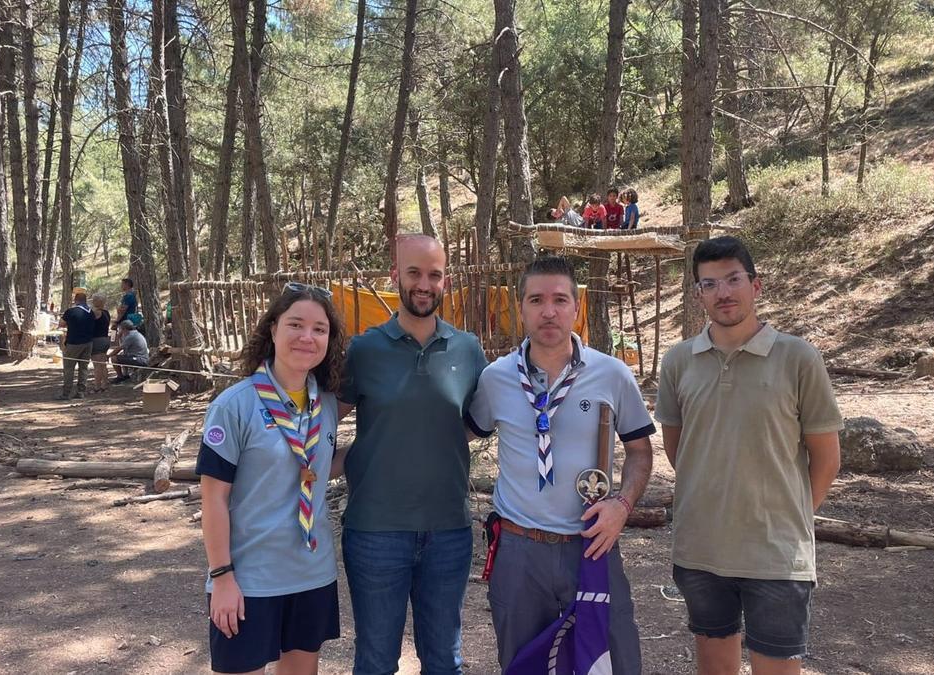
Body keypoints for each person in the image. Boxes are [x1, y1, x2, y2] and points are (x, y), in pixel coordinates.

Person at [653, 236, 843, 675]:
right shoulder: (679, 361)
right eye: (710, 284)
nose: (723, 293)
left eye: (733, 279)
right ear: (698, 294)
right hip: (701, 548)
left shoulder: (798, 358)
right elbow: (679, 447)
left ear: (755, 286)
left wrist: (789, 517)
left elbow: (827, 458)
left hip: (776, 554)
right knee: (714, 666)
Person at [465, 255, 655, 673]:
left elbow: (641, 451)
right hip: (518, 551)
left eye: (559, 299)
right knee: (521, 662)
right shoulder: (495, 378)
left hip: (591, 544)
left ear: (576, 306)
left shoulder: (612, 374)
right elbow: (462, 435)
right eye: (536, 300)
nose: (548, 311)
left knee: (611, 661)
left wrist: (621, 506)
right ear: (521, 308)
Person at [331, 234, 487, 675]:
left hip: (449, 533)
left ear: (446, 282)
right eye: (414, 273)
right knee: (377, 661)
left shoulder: (468, 350)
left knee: (444, 661)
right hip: (375, 531)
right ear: (394, 276)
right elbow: (323, 422)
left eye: (434, 275)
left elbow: (478, 422)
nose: (424, 284)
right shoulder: (364, 351)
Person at [195, 282, 345, 675]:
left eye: (319, 329)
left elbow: (316, 466)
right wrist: (222, 576)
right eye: (296, 324)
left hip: (311, 573)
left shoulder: (325, 404)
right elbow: (212, 499)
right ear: (273, 328)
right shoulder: (234, 405)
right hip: (249, 579)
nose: (307, 337)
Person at [57, 291, 95, 400]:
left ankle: (66, 393)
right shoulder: (91, 312)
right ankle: (81, 391)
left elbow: (61, 324)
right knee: (83, 368)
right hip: (88, 343)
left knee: (69, 368)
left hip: (74, 343)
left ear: (76, 300)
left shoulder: (71, 311)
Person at [89, 294, 113, 393]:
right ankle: (105, 384)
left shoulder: (96, 313)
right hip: (105, 339)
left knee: (97, 365)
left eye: (94, 300)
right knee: (103, 364)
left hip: (97, 340)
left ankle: (97, 387)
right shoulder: (106, 312)